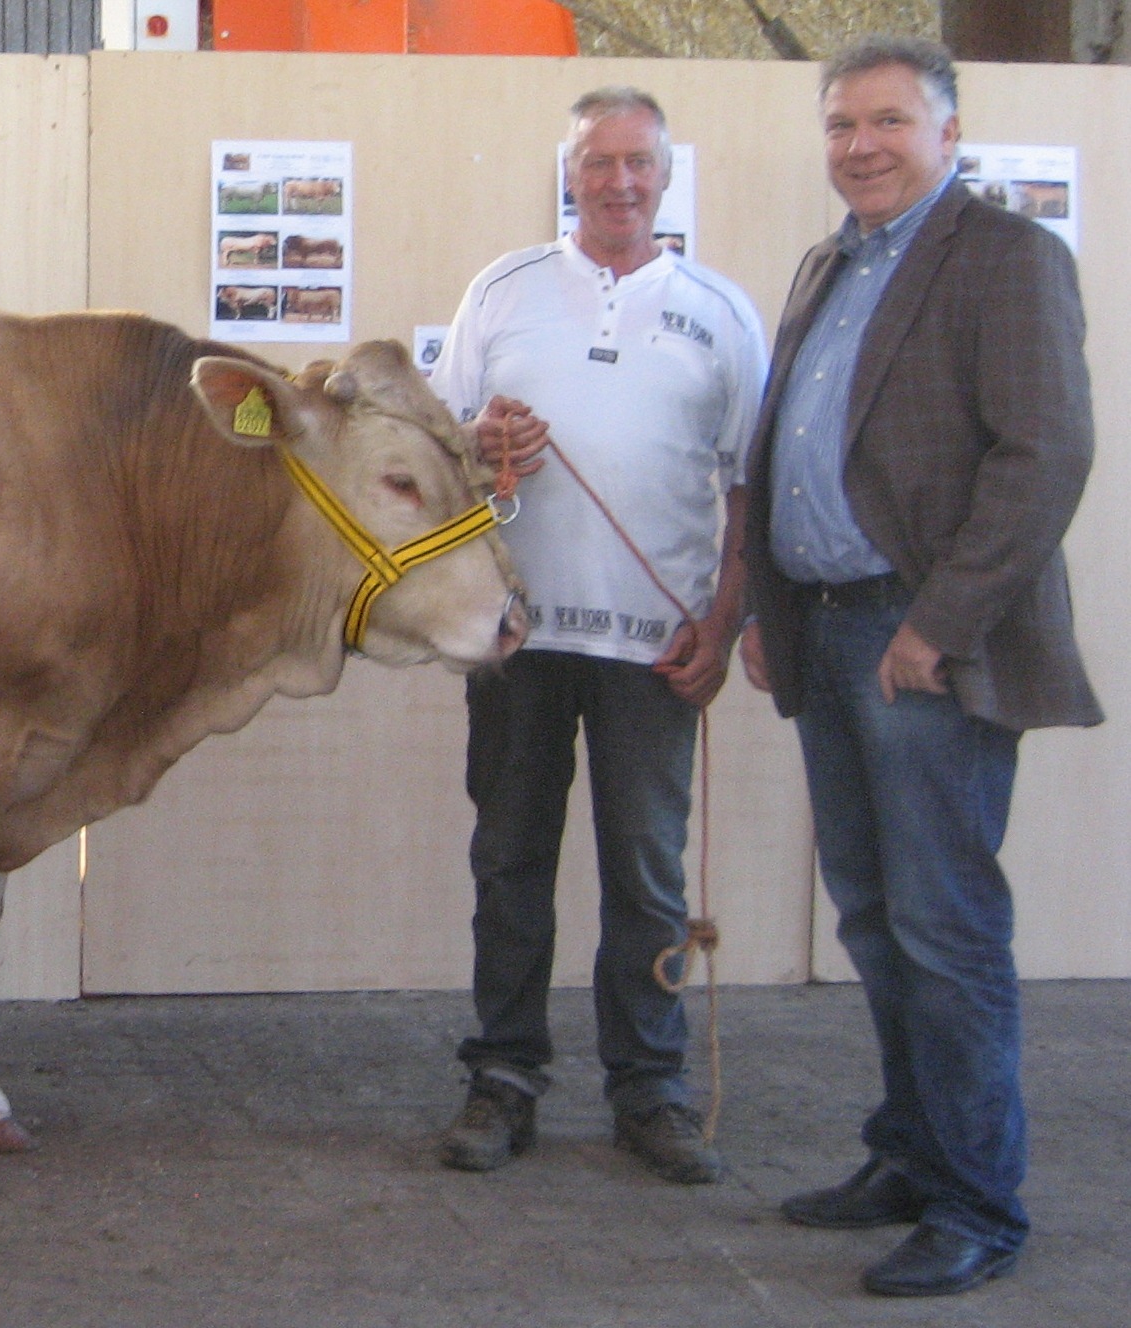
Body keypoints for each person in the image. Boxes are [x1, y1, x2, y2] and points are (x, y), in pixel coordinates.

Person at [740, 36, 1099, 1298]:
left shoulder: (1006, 257)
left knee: (945, 930)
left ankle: (977, 1204)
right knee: (878, 919)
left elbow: (1044, 455)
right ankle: (910, 1150)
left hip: (920, 644)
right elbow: (786, 442)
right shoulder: (829, 260)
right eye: (842, 125)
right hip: (828, 629)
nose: (861, 145)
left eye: (889, 121)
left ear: (950, 133)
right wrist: (762, 608)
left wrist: (934, 625)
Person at [427, 87, 766, 1185]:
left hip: (656, 656)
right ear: (567, 173)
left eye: (639, 162)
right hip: (518, 638)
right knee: (510, 862)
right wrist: (486, 442)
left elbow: (750, 488)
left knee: (646, 875)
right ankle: (505, 1076)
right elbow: (442, 462)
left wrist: (725, 623)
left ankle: (651, 1089)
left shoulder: (721, 309)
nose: (619, 180)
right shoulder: (502, 291)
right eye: (597, 161)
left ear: (667, 176)